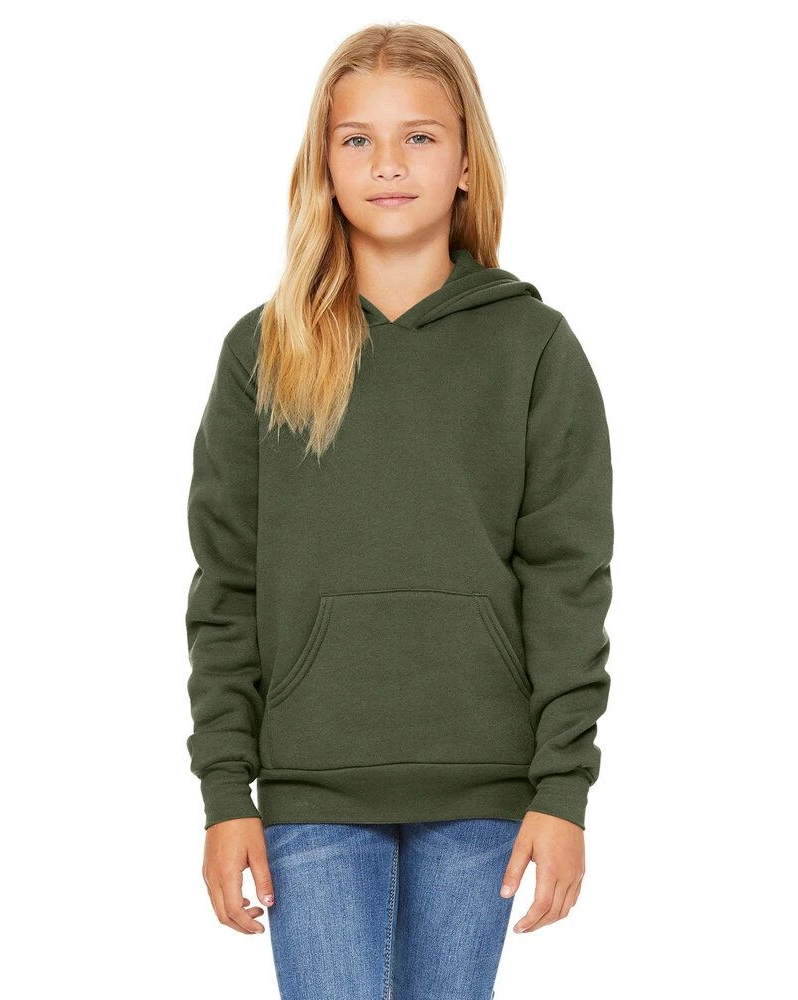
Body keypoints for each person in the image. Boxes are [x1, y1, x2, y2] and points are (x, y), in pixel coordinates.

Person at [184, 21, 613, 1000]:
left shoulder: (533, 348)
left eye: (419, 136)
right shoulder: (264, 351)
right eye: (357, 139)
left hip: (482, 791)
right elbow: (227, 585)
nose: (388, 163)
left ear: (465, 163)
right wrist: (223, 790)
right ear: (324, 164)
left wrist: (562, 789)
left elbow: (566, 579)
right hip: (310, 789)